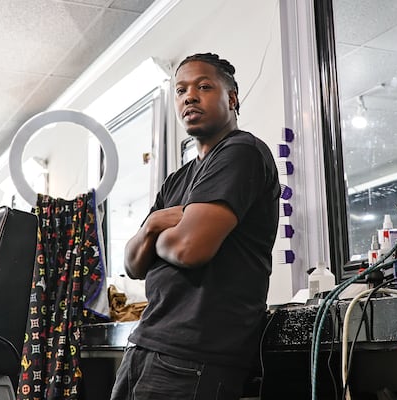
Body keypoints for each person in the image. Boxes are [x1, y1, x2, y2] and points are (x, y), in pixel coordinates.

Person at [110, 53, 281, 400]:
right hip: (145, 344)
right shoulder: (177, 180)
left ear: (231, 99)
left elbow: (190, 249)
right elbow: (132, 264)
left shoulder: (241, 152)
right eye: (180, 90)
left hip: (196, 354)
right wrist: (157, 223)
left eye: (204, 86)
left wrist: (157, 234)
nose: (189, 96)